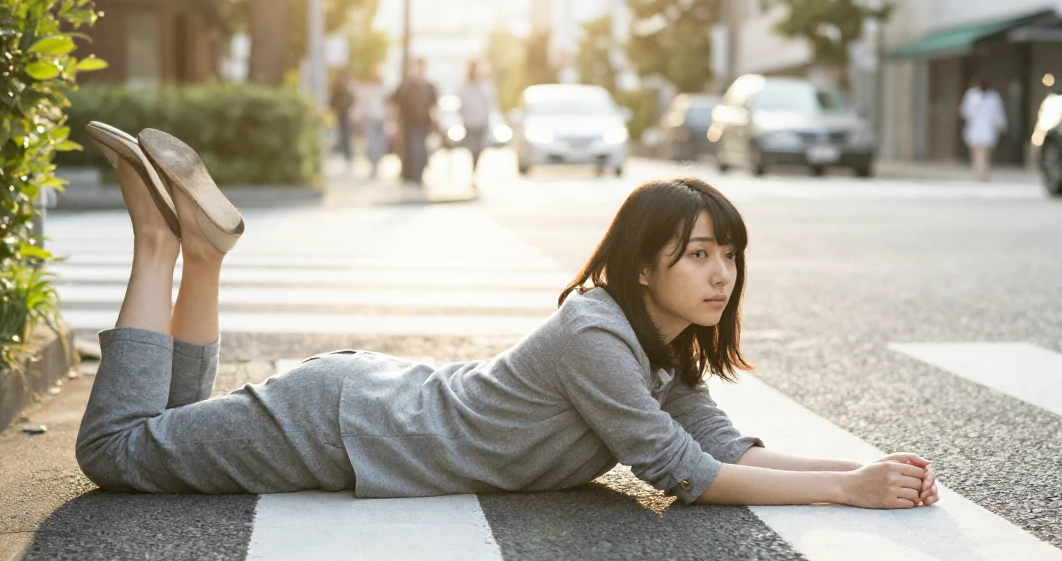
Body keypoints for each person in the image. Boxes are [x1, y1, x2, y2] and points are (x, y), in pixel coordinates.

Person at [76, 124, 941, 510]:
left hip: (365, 411)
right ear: (645, 266)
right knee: (117, 452)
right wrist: (846, 492)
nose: (722, 274)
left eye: (730, 254)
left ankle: (204, 257)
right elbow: (681, 473)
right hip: (344, 428)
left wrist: (865, 469)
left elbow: (725, 449)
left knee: (170, 426)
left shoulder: (659, 346)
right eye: (699, 254)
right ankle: (159, 243)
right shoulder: (597, 334)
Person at [393, 58, 438, 185]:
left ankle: (419, 174)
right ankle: (414, 175)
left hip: (424, 124)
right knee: (414, 149)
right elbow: (396, 104)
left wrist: (436, 122)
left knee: (421, 150)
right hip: (410, 124)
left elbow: (434, 106)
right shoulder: (407, 86)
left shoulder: (429, 87)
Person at [458, 59, 501, 187]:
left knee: (481, 148)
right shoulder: (465, 86)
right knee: (472, 149)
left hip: (482, 122)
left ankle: (475, 172)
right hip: (470, 123)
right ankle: (473, 173)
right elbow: (462, 104)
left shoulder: (486, 86)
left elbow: (491, 104)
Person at [959, 75, 1006, 181]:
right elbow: (965, 111)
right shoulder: (971, 95)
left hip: (987, 127)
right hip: (975, 126)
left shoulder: (993, 97)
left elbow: (998, 112)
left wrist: (1000, 124)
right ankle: (977, 170)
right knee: (976, 149)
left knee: (985, 150)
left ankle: (983, 171)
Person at [353, 67, 389, 179]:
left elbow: (388, 106)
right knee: (371, 145)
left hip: (381, 121)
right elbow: (361, 105)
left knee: (380, 145)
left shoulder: (384, 90)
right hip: (369, 120)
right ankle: (373, 165)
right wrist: (357, 117)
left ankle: (377, 165)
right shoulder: (366, 90)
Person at [330, 70, 356, 164]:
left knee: (346, 134)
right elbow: (332, 101)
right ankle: (343, 152)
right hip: (339, 114)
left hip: (346, 114)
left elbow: (352, 99)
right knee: (340, 133)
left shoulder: (347, 90)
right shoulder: (337, 90)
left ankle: (348, 154)